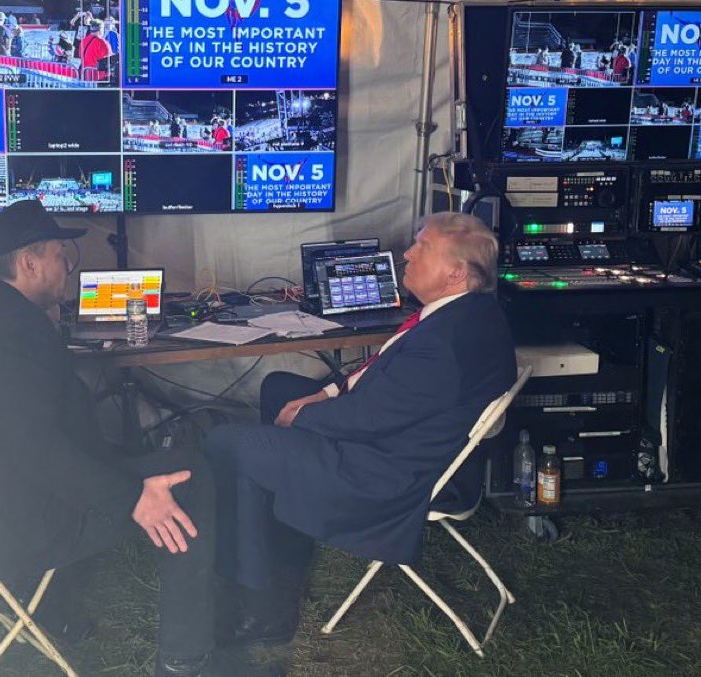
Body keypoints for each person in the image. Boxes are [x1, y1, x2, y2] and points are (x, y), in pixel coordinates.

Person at [0, 200, 283, 677]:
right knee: (188, 480)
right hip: (5, 526)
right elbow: (35, 448)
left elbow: (25, 438)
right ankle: (186, 663)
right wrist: (134, 496)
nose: (69, 267)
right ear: (29, 262)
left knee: (164, 467)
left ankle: (57, 609)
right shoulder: (16, 332)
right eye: (64, 255)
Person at [204, 213, 517, 646]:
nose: (406, 253)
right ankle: (284, 531)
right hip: (405, 442)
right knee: (280, 387)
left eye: (421, 247)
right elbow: (380, 380)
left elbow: (368, 419)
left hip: (388, 472)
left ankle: (264, 609)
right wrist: (326, 394)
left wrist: (303, 417)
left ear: (455, 273)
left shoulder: (445, 344)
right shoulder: (469, 313)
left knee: (230, 443)